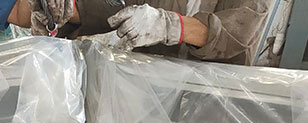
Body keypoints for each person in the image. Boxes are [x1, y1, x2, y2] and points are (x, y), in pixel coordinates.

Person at [49, 0, 271, 65]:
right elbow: (119, 7)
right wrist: (66, 9)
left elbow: (236, 33)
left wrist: (168, 26)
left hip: (211, 107)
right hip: (145, 94)